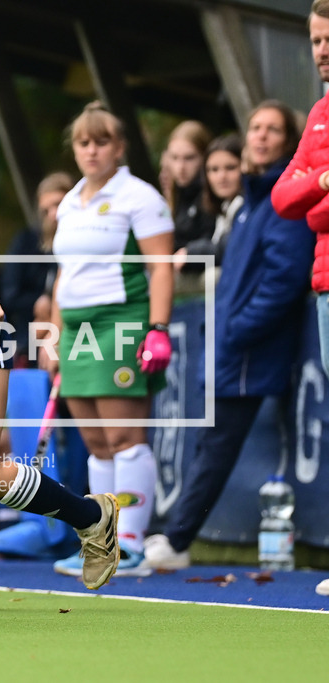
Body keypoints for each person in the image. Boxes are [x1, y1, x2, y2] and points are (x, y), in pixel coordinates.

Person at [145, 101, 310, 570]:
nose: (259, 136)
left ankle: (177, 542)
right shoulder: (251, 202)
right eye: (254, 127)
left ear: (288, 139)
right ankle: (176, 538)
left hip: (251, 351)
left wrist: (236, 331)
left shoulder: (282, 198)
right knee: (211, 443)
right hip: (234, 349)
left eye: (272, 129)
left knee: (216, 445)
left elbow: (284, 278)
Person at [41, 101, 174, 578]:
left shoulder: (140, 196)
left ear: (119, 147)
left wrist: (157, 329)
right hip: (76, 327)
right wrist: (52, 335)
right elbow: (64, 274)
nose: (92, 150)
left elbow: (161, 267)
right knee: (97, 442)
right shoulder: (72, 199)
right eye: (83, 142)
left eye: (101, 142)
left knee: (123, 437)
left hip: (122, 321)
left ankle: (132, 545)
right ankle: (102, 543)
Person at [271, 2, 329, 386]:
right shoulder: (319, 113)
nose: (322, 51)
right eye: (316, 40)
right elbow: (283, 200)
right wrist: (322, 183)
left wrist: (316, 207)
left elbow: (314, 214)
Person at [0, 172, 75, 367]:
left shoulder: (84, 239)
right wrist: (39, 302)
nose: (53, 214)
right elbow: (10, 294)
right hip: (35, 337)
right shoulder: (27, 242)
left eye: (58, 204)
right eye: (46, 210)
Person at [175, 134, 244, 271]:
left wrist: (191, 253)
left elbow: (234, 246)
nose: (221, 176)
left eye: (230, 167)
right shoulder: (222, 207)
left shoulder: (249, 206)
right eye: (214, 170)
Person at [163, 120, 217, 254]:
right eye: (174, 158)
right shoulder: (176, 194)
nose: (180, 167)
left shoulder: (213, 195)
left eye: (189, 158)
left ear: (206, 157)